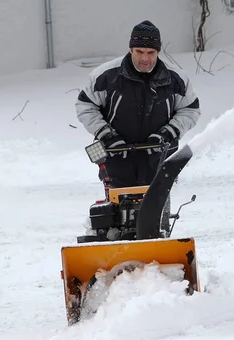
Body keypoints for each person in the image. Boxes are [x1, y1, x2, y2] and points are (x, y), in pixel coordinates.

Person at [75, 20, 200, 234]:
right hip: (116, 155)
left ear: (158, 51)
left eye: (151, 52)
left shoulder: (175, 79)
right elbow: (86, 106)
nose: (145, 58)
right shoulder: (106, 76)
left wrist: (166, 134)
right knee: (117, 216)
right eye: (139, 51)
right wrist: (107, 135)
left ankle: (159, 242)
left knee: (156, 212)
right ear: (130, 49)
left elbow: (190, 110)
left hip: (159, 155)